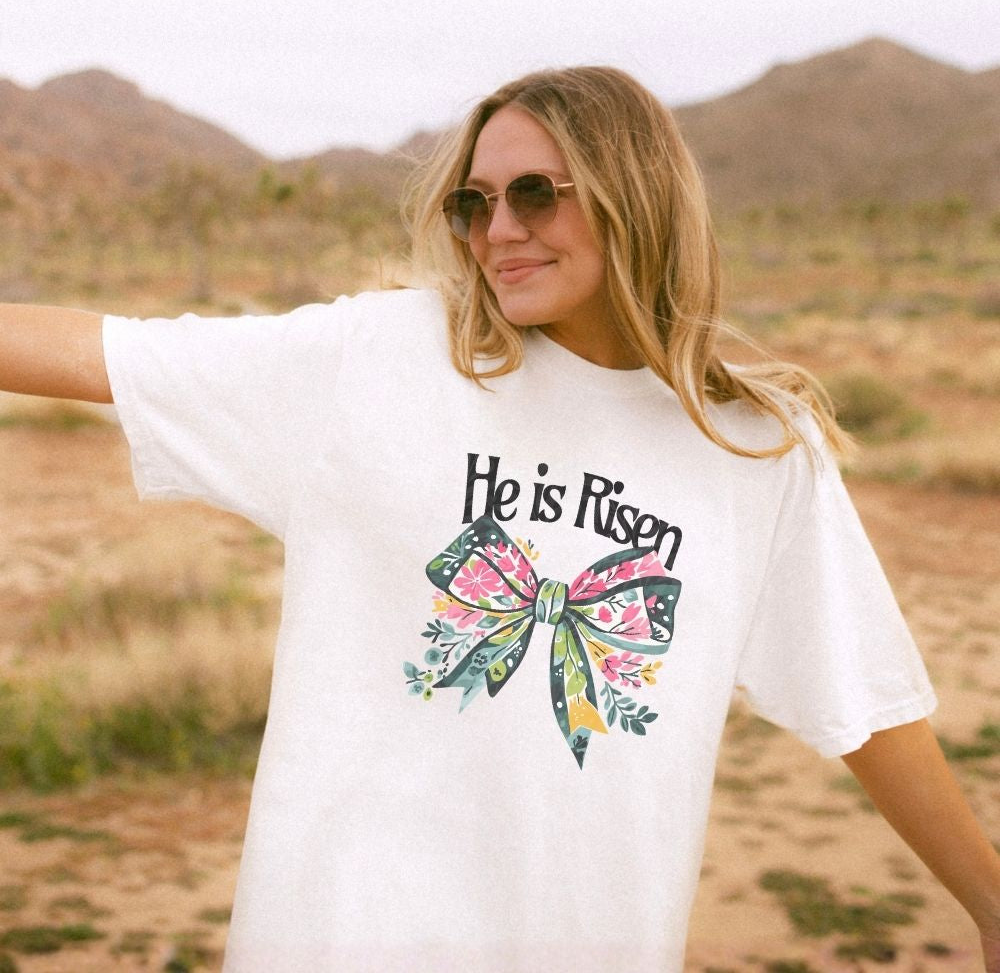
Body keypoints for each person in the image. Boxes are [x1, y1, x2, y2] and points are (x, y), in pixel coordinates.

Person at [2, 65, 998, 972]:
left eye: (533, 194)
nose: (497, 231)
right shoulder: (379, 359)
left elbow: (866, 705)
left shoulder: (750, 446)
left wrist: (989, 903)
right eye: (473, 203)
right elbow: (103, 353)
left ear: (633, 194)